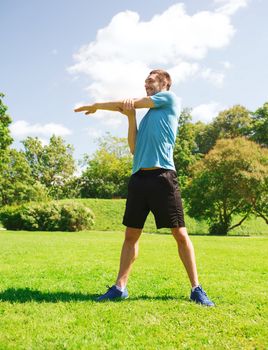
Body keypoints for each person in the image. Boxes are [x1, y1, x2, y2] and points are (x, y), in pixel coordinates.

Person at [74, 69, 215, 306]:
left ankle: (196, 289)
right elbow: (134, 148)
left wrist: (98, 105)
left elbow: (128, 102)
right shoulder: (149, 115)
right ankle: (120, 288)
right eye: (145, 82)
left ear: (165, 83)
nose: (146, 84)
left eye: (150, 81)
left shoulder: (169, 99)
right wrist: (130, 117)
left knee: (179, 234)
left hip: (163, 177)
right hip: (139, 178)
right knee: (131, 235)